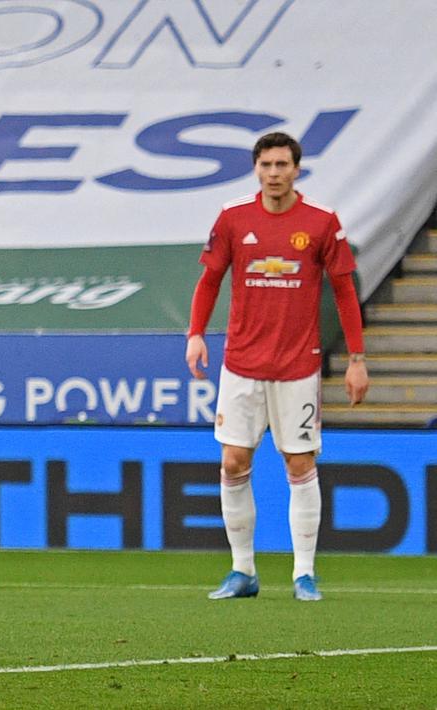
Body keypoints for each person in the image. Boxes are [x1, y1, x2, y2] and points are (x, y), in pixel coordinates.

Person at [185, 131, 370, 602]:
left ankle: (303, 574)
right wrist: (195, 334)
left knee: (299, 462)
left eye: (281, 165)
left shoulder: (321, 221)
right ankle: (242, 570)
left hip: (297, 366)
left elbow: (344, 290)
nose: (273, 173)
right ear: (256, 169)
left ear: (296, 169)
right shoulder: (233, 217)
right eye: (266, 165)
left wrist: (356, 358)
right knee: (233, 460)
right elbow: (210, 279)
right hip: (241, 364)